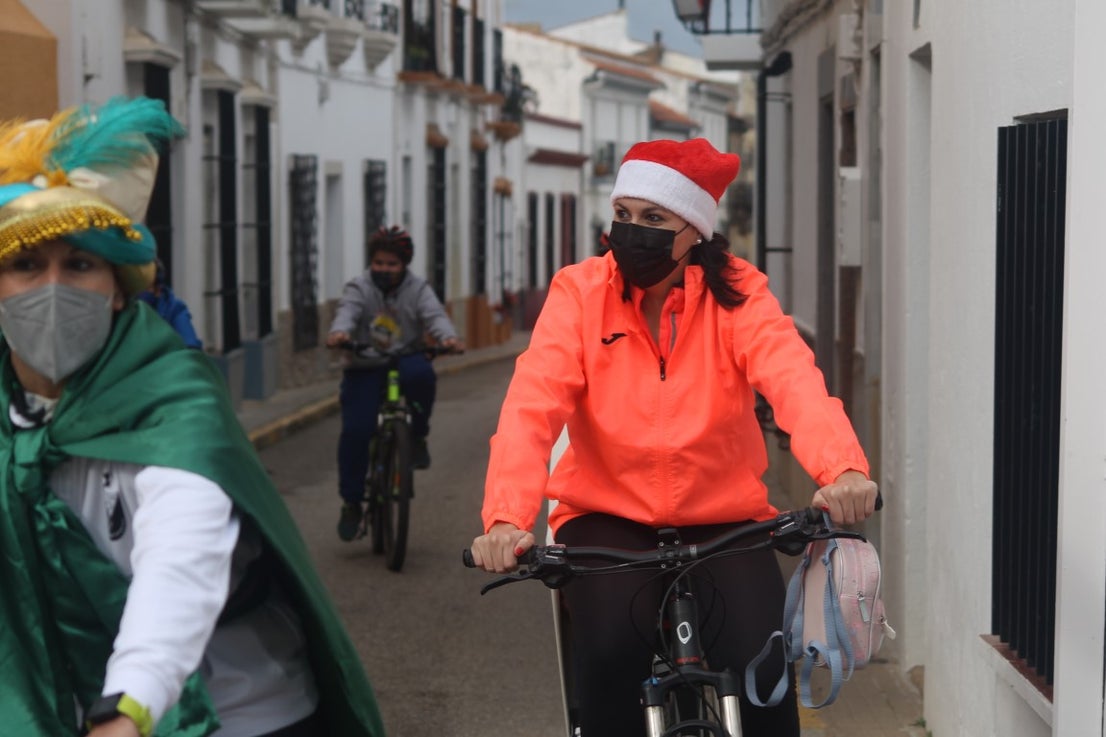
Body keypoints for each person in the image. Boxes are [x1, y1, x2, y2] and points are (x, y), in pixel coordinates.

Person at [468, 137, 878, 737]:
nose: (633, 232)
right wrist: (506, 518)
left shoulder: (740, 294)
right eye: (623, 214)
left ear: (694, 231)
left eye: (654, 219)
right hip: (606, 516)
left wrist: (842, 470)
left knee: (764, 669)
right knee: (608, 653)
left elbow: (794, 381)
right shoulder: (579, 292)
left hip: (725, 519)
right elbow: (532, 406)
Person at [0, 97, 384, 736]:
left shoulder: (176, 404)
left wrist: (129, 707)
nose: (52, 287)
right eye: (25, 265)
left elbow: (180, 564)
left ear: (119, 289)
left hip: (242, 712)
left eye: (80, 264)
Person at [326, 225, 463, 541]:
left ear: (404, 265)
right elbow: (347, 312)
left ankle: (417, 437)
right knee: (356, 431)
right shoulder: (358, 288)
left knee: (423, 376)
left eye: (392, 264)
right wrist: (339, 333)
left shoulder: (418, 289)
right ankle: (351, 501)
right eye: (379, 263)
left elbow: (435, 316)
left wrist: (449, 338)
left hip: (406, 357)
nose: (384, 269)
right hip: (364, 362)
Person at [137, 259, 203, 349]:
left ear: (158, 289)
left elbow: (190, 348)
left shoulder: (175, 310)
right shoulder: (123, 309)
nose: (137, 294)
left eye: (144, 288)